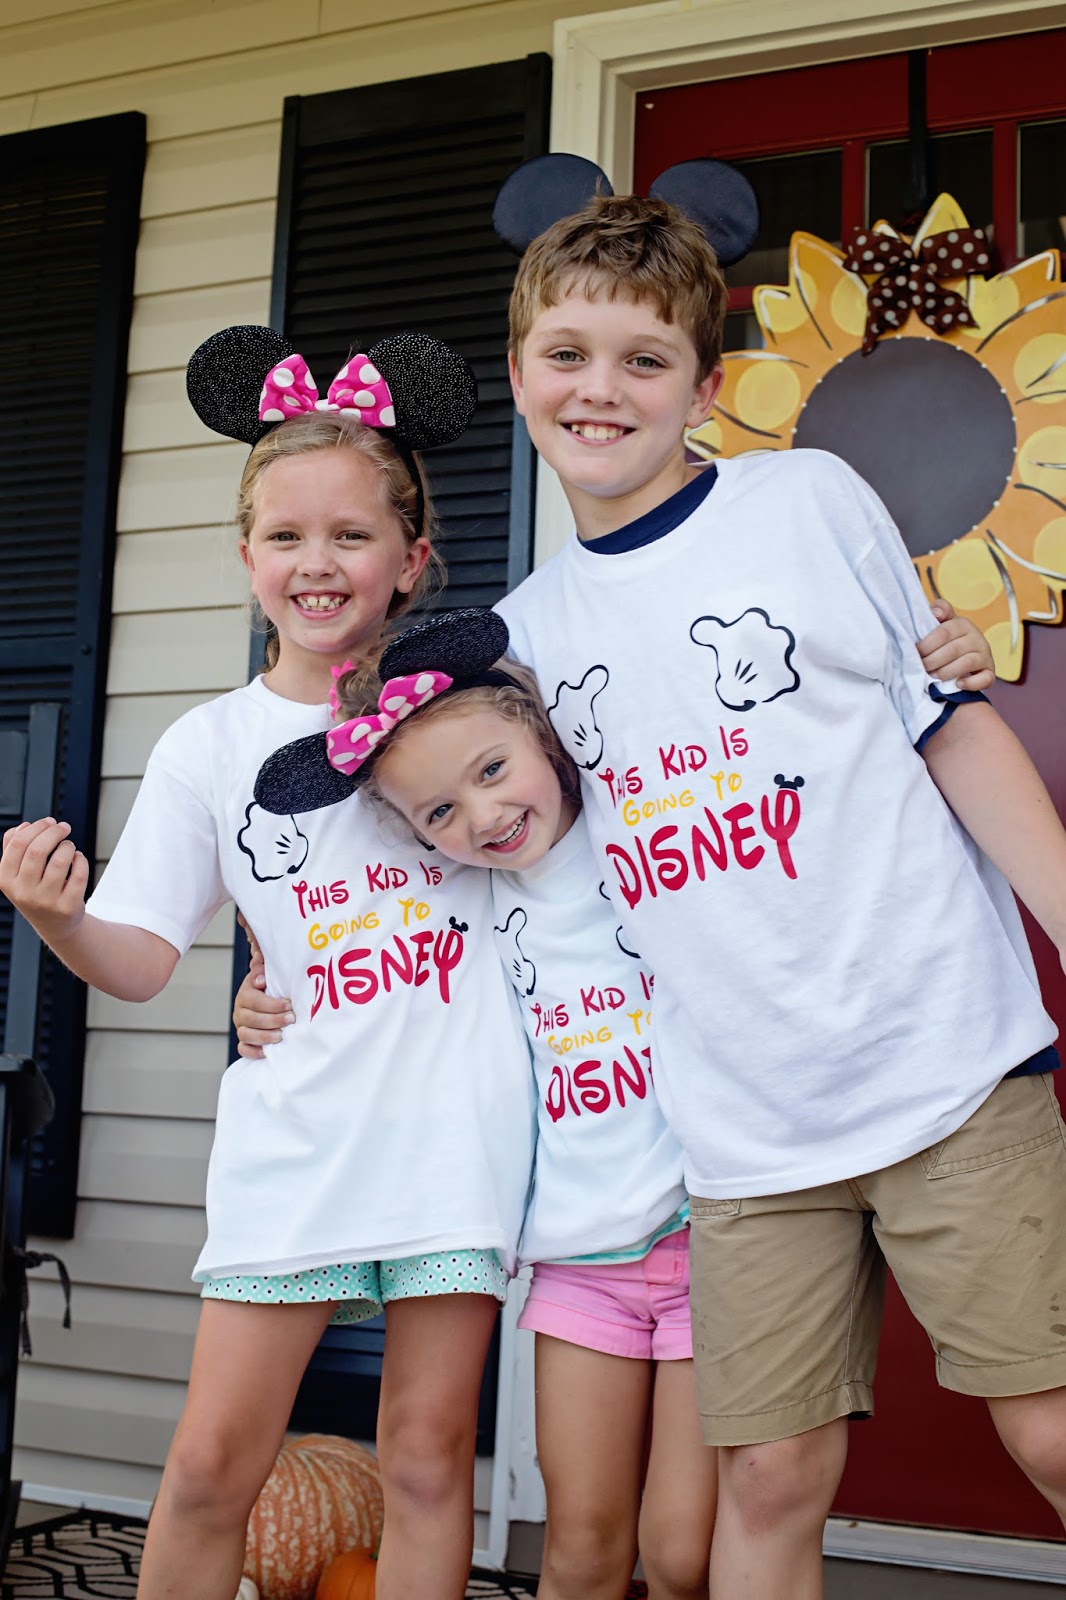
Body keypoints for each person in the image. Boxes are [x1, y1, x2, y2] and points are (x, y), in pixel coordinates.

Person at [484, 155, 1066, 1600]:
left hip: (939, 1057)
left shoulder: (804, 500)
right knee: (767, 1477)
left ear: (702, 385)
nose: (600, 389)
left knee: (1050, 1425)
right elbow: (488, 866)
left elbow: (949, 729)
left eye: (644, 359)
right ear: (518, 372)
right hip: (744, 1130)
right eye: (567, 354)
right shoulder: (524, 635)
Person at [236, 592, 993, 1600]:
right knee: (582, 1549)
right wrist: (263, 995)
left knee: (680, 1552)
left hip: (717, 1234)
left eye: (492, 771)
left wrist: (934, 664)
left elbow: (807, 772)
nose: (483, 817)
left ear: (543, 739)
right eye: (439, 814)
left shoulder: (647, 838)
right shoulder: (466, 900)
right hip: (579, 1257)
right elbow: (362, 959)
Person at [0, 327, 534, 1600]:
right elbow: (138, 959)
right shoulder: (210, 745)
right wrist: (57, 920)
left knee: (427, 1455)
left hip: (458, 1133)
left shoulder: (477, 708)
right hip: (295, 1140)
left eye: (351, 534)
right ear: (246, 557)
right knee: (206, 1465)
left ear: (410, 558)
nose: (317, 563)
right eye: (286, 536)